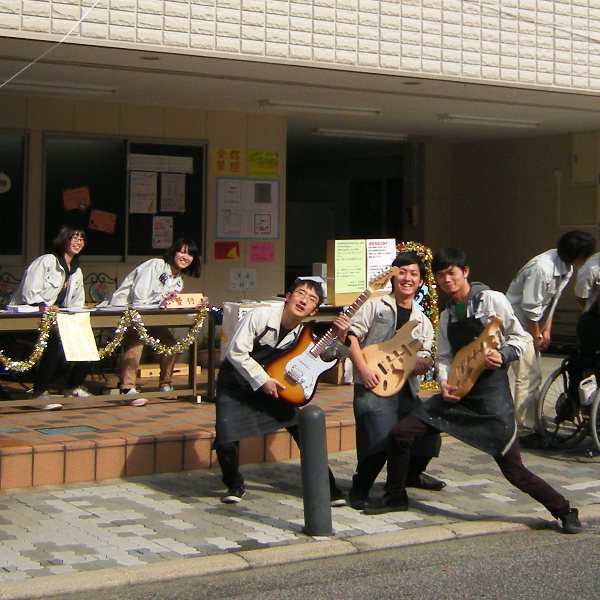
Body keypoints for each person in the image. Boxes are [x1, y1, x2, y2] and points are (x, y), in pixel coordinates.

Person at [363, 247, 583, 535]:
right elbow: (443, 357)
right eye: (441, 275)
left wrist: (503, 355)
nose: (447, 280)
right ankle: (395, 495)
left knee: (514, 469)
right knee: (402, 434)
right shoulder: (447, 316)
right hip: (457, 392)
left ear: (465, 272)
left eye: (452, 273)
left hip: (491, 401)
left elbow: (521, 337)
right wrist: (443, 381)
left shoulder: (491, 300)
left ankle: (564, 509)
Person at [214, 278, 348, 506]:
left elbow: (325, 360)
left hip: (274, 385)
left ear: (314, 310)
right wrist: (263, 379)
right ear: (288, 296)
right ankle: (234, 484)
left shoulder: (305, 332)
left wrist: (342, 336)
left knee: (303, 428)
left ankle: (328, 487)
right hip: (236, 381)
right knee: (226, 435)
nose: (304, 300)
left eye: (311, 299)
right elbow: (236, 352)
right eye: (300, 293)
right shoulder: (260, 315)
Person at [344, 251, 444, 510]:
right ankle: (360, 487)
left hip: (404, 388)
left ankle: (410, 474)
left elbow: (423, 359)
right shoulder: (375, 305)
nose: (407, 278)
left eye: (414, 274)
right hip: (371, 383)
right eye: (402, 272)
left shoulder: (422, 321)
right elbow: (351, 337)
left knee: (429, 430)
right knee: (378, 436)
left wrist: (419, 363)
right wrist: (364, 370)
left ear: (421, 282)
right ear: (393, 275)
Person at [505, 230, 595, 435]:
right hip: (513, 323)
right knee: (528, 374)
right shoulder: (542, 268)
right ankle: (527, 427)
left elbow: (551, 302)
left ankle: (525, 420)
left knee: (528, 373)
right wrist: (536, 335)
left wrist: (547, 331)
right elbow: (530, 307)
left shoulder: (566, 267)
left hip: (529, 323)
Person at [109, 238, 201, 406]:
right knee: (136, 343)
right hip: (129, 314)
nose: (185, 257)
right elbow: (139, 296)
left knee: (171, 345)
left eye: (190, 254)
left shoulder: (178, 281)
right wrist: (162, 301)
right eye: (182, 251)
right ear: (173, 252)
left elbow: (168, 305)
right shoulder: (156, 265)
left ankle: (165, 384)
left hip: (151, 318)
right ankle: (127, 388)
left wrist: (192, 303)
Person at [9, 225, 90, 410]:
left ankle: (72, 386)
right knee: (55, 339)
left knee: (85, 337)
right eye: (74, 238)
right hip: (30, 319)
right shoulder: (46, 261)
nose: (78, 242)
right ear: (64, 240)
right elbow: (30, 294)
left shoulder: (76, 270)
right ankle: (39, 392)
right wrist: (46, 307)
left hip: (59, 320)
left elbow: (77, 301)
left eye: (82, 239)